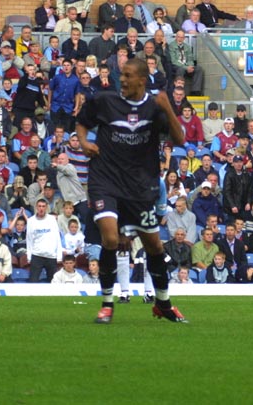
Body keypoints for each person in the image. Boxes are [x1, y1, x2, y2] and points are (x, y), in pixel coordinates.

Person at [76, 57, 187, 324]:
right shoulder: (105, 101)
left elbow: (180, 139)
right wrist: (83, 143)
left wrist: (167, 107)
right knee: (111, 239)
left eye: (127, 75)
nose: (121, 79)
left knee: (154, 245)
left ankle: (163, 303)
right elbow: (82, 122)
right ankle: (106, 304)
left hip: (139, 186)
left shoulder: (154, 107)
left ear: (141, 79)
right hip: (106, 180)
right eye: (121, 75)